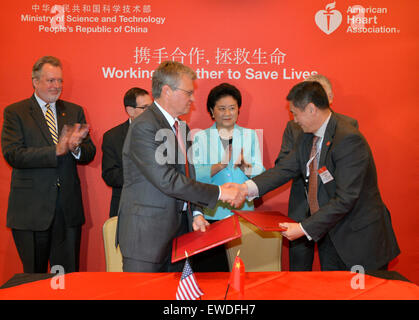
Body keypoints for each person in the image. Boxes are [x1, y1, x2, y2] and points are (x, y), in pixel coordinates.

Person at [235, 81, 400, 271]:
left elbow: (346, 198)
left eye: (295, 113)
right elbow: (284, 169)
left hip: (359, 240)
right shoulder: (307, 136)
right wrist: (245, 188)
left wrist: (303, 228)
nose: (294, 120)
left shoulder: (347, 139)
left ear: (311, 109)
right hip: (329, 234)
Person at [116, 61, 244, 272]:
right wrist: (221, 192)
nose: (193, 99)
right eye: (188, 93)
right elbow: (167, 180)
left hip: (179, 235)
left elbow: (187, 175)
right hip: (147, 238)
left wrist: (196, 213)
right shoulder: (144, 126)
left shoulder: (180, 127)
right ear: (167, 91)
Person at [1, 56, 96, 273]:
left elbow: (89, 152)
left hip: (67, 210)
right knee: (34, 278)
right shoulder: (16, 112)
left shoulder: (74, 111)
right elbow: (13, 154)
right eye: (51, 81)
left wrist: (75, 148)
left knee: (67, 278)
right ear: (35, 81)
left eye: (59, 81)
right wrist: (56, 150)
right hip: (31, 211)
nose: (57, 86)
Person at [276, 74, 358, 271]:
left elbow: (346, 183)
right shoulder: (297, 128)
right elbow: (284, 165)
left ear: (328, 99)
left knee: (333, 272)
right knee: (299, 272)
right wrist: (247, 188)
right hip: (301, 209)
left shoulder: (347, 129)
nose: (296, 119)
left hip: (332, 212)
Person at [192, 83, 265, 271]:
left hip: (243, 214)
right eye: (222, 108)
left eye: (232, 108)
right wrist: (219, 166)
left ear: (238, 110)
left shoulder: (250, 136)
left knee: (243, 270)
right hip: (212, 215)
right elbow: (195, 176)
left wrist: (245, 166)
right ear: (211, 111)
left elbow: (261, 175)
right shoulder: (201, 137)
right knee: (214, 272)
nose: (227, 113)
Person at [101, 87, 152, 217]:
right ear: (130, 110)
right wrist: (142, 174)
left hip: (157, 209)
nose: (151, 112)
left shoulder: (163, 134)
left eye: (152, 107)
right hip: (126, 208)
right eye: (145, 108)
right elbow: (110, 175)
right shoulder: (113, 137)